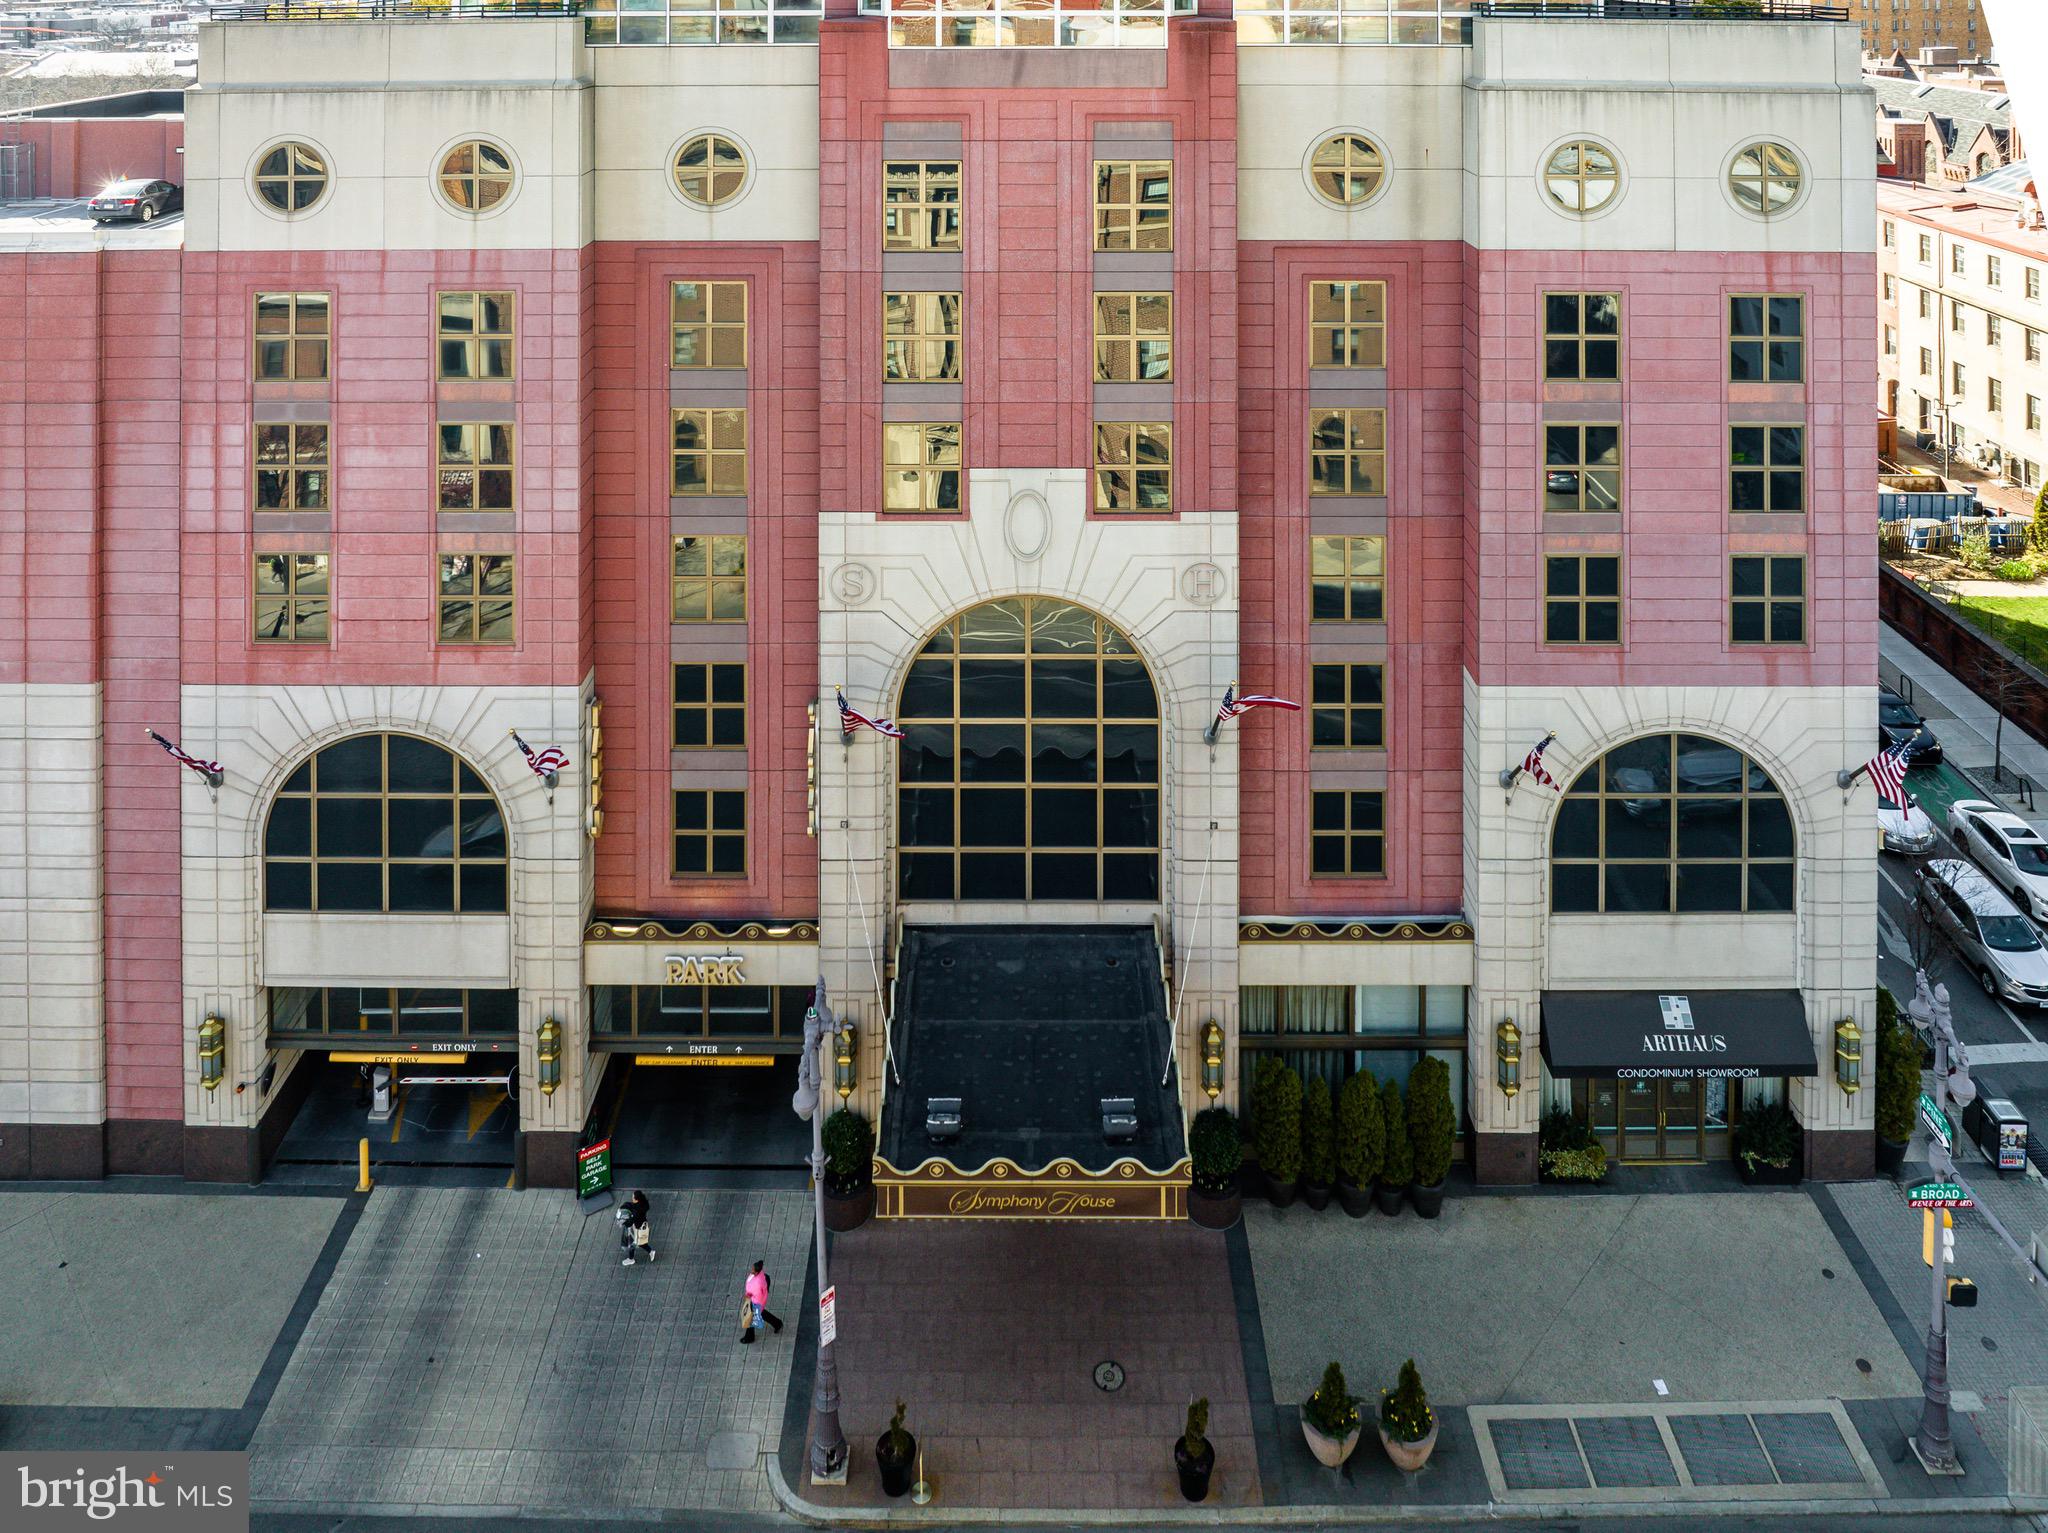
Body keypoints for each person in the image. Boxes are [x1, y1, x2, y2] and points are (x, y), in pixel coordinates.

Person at [740, 1259, 782, 1343]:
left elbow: (757, 1296)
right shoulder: (759, 1275)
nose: (751, 1270)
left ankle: (749, 1337)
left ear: (756, 1272)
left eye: (752, 1269)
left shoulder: (758, 1284)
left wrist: (749, 1299)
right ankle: (777, 1323)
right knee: (761, 1314)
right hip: (756, 1300)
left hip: (756, 1302)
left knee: (750, 1317)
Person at [618, 1189, 654, 1267]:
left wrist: (623, 1222)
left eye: (633, 1197)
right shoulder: (643, 1203)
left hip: (637, 1228)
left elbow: (630, 1222)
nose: (632, 1197)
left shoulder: (636, 1211)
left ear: (637, 1199)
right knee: (639, 1242)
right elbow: (631, 1205)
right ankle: (650, 1251)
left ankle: (631, 1259)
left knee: (633, 1243)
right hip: (641, 1225)